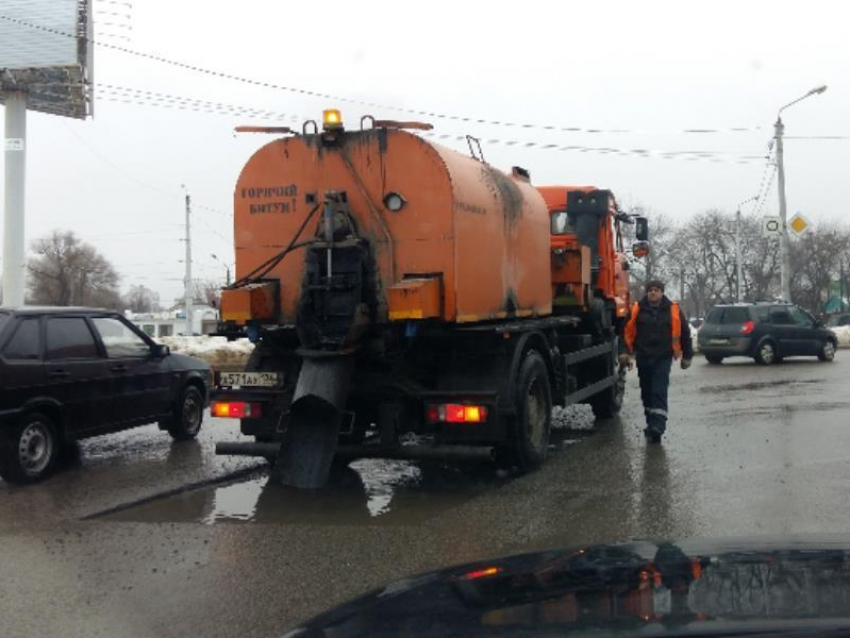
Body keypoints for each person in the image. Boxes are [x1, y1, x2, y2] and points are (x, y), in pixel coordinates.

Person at [620, 280, 693, 443]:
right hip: (644, 357)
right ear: (647, 293)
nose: (653, 293)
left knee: (658, 390)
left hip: (663, 357)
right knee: (646, 393)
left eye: (657, 290)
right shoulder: (637, 309)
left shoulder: (673, 310)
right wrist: (624, 353)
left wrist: (687, 355)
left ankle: (658, 427)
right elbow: (625, 333)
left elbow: (685, 333)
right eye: (650, 290)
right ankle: (650, 422)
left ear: (662, 292)